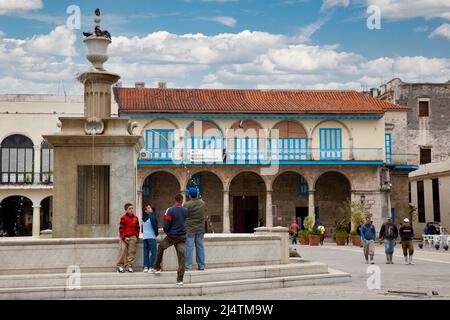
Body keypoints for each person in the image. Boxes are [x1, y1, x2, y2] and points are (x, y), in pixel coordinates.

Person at [152, 194, 188, 287]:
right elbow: (188, 223)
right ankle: (180, 280)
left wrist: (168, 232)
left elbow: (166, 224)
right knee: (182, 257)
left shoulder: (170, 210)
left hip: (171, 236)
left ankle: (157, 267)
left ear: (175, 200)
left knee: (161, 247)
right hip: (181, 237)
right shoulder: (185, 211)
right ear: (182, 200)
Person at [184, 187, 207, 271]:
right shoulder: (203, 203)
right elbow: (204, 214)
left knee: (189, 248)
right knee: (200, 247)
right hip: (200, 229)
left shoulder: (186, 204)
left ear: (189, 195)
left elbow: (184, 216)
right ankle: (201, 265)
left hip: (190, 229)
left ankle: (188, 266)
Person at [116, 203, 140, 273]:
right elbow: (121, 229)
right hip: (124, 237)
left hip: (133, 237)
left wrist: (136, 236)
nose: (131, 210)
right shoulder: (123, 218)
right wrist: (124, 237)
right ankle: (120, 266)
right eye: (130, 209)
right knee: (122, 251)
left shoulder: (135, 218)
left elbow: (138, 228)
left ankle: (129, 266)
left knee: (131, 252)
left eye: (132, 208)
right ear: (126, 210)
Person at [142, 204, 158, 273]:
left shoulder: (143, 218)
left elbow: (142, 229)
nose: (150, 208)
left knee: (146, 252)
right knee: (154, 252)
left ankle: (146, 267)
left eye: (150, 207)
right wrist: (156, 233)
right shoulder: (152, 216)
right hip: (151, 236)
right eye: (148, 208)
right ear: (145, 211)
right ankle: (151, 267)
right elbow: (155, 226)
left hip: (145, 237)